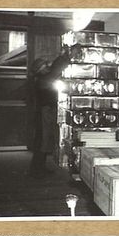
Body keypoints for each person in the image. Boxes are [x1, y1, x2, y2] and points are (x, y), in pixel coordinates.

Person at [28, 45, 80, 178]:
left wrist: (64, 55)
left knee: (42, 141)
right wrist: (66, 56)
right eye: (45, 66)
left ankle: (38, 168)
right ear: (41, 70)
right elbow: (54, 71)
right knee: (42, 141)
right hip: (44, 112)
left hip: (44, 111)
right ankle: (37, 170)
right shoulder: (44, 79)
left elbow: (53, 71)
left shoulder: (41, 79)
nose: (48, 67)